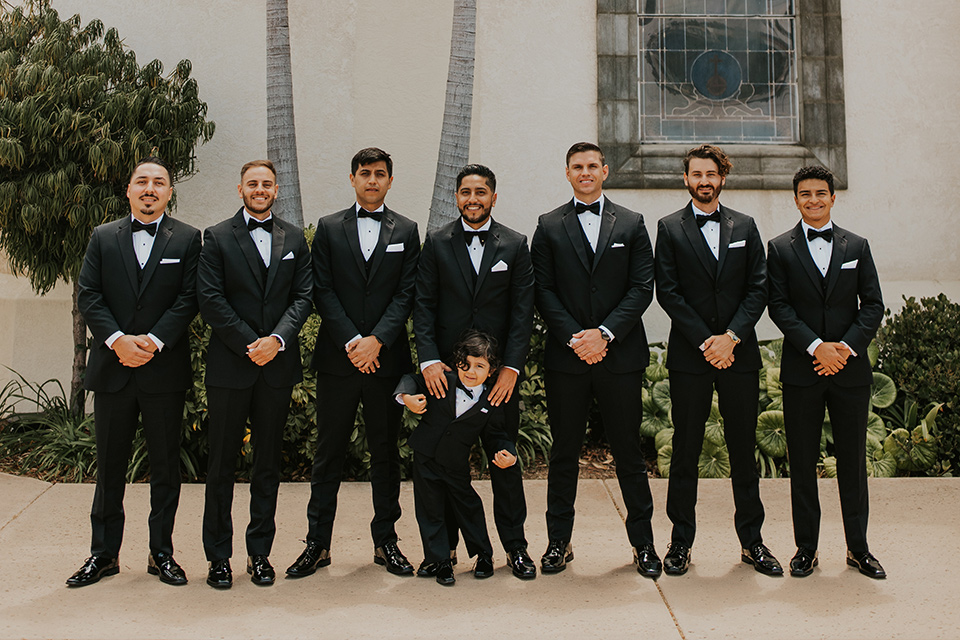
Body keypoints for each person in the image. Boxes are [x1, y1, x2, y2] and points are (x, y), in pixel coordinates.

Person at [286, 148, 420, 579]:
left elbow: (407, 294)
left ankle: (387, 542)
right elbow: (321, 290)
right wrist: (353, 341)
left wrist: (377, 341)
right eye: (365, 173)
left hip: (386, 360)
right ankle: (317, 544)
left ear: (390, 181)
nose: (372, 180)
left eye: (380, 174)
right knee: (328, 454)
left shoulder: (409, 230)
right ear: (352, 179)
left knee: (385, 454)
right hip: (339, 361)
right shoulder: (327, 229)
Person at [530, 142, 661, 577]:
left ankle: (643, 545)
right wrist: (576, 337)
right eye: (577, 167)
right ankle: (557, 543)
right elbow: (542, 290)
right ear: (567, 173)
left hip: (619, 356)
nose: (585, 172)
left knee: (627, 452)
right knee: (564, 453)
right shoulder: (548, 226)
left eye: (592, 166)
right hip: (567, 360)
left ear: (605, 171)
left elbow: (642, 287)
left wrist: (603, 334)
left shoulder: (632, 223)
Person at [70, 156, 201, 587]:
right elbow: (89, 294)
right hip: (113, 369)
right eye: (142, 181)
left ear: (168, 192)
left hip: (163, 371)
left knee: (165, 468)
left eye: (158, 182)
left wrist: (153, 341)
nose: (150, 188)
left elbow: (189, 298)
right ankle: (103, 555)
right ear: (128, 190)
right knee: (109, 467)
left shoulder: (187, 239)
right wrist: (118, 341)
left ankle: (161, 553)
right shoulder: (103, 237)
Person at [654, 144, 781, 576]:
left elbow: (758, 288)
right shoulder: (668, 228)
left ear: (722, 177)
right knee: (685, 451)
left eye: (711, 174)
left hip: (738, 355)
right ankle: (680, 543)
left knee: (743, 450)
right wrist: (706, 341)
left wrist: (730, 338)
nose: (704, 181)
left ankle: (752, 542)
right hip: (690, 357)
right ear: (686, 178)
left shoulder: (745, 225)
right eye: (696, 174)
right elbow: (667, 291)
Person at [413, 164, 536, 579]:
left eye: (480, 192)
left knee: (504, 460)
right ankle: (445, 549)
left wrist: (511, 370)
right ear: (457, 197)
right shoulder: (436, 242)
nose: (472, 199)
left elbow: (522, 314)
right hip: (448, 379)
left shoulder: (516, 245)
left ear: (493, 198)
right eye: (465, 192)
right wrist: (430, 363)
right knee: (446, 466)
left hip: (499, 381)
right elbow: (424, 306)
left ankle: (515, 548)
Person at [197, 159, 312, 589]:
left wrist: (277, 341)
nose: (260, 189)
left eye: (266, 184)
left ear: (276, 190)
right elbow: (209, 298)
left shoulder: (295, 238)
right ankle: (219, 558)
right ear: (239, 188)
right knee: (221, 465)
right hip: (231, 365)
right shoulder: (218, 237)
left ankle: (259, 553)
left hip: (276, 367)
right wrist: (252, 342)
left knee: (267, 465)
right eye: (252, 184)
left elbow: (303, 296)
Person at [767, 165, 885, 579]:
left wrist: (846, 348)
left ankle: (858, 548)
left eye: (821, 193)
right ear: (795, 199)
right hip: (803, 369)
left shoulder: (858, 245)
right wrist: (817, 347)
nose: (813, 200)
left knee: (853, 461)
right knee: (801, 462)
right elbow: (779, 306)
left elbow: (872, 305)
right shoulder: (779, 248)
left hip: (850, 372)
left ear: (833, 198)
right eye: (805, 194)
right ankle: (806, 549)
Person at [396, 330, 518, 586]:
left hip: (455, 462)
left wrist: (507, 453)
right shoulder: (444, 380)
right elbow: (410, 379)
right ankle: (439, 560)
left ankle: (483, 554)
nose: (470, 371)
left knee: (469, 506)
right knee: (430, 510)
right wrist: (406, 398)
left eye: (479, 366)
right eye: (465, 364)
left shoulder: (491, 400)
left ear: (491, 370)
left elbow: (496, 434)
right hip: (426, 457)